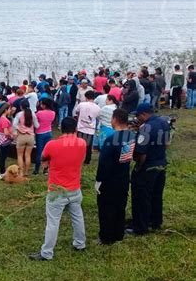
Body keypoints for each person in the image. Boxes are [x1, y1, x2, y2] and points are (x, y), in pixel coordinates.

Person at [29, 117, 86, 261]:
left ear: (61, 129)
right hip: (75, 188)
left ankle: (47, 253)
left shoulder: (52, 145)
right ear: (76, 130)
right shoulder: (82, 143)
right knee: (77, 217)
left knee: (53, 222)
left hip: (57, 191)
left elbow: (43, 157)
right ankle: (80, 243)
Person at [128, 103, 171, 235]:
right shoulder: (164, 122)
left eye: (138, 116)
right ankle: (155, 221)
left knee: (141, 197)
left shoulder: (145, 128)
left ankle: (141, 227)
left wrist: (138, 168)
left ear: (144, 114)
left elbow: (141, 154)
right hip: (161, 164)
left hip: (148, 167)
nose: (137, 118)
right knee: (156, 195)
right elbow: (167, 144)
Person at [95, 108, 135, 245]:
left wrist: (99, 180)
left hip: (109, 181)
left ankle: (106, 237)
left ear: (115, 119)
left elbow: (103, 163)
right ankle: (119, 234)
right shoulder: (131, 135)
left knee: (106, 209)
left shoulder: (111, 139)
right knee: (120, 207)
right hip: (123, 177)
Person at [13, 100, 39, 177]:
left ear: (21, 107)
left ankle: (21, 173)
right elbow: (37, 126)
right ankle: (26, 172)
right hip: (30, 137)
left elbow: (14, 124)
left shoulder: (19, 114)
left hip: (21, 136)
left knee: (20, 156)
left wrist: (20, 129)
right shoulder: (33, 114)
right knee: (28, 155)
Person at [76, 91, 100, 165]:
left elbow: (77, 112)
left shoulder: (81, 104)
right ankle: (87, 160)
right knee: (88, 146)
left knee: (79, 145)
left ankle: (77, 159)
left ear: (86, 97)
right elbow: (98, 117)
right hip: (90, 129)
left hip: (81, 127)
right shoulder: (98, 107)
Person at [34, 98, 55, 175]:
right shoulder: (53, 113)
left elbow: (35, 121)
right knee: (47, 151)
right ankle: (46, 169)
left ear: (44, 105)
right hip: (49, 132)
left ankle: (36, 169)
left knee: (39, 151)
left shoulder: (39, 113)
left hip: (40, 133)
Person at [0, 103, 13, 179]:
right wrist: (11, 136)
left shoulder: (1, 118)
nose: (10, 110)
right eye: (9, 109)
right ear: (5, 110)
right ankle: (2, 172)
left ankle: (2, 171)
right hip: (5, 140)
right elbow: (6, 132)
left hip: (2, 138)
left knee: (3, 156)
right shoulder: (4, 120)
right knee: (3, 156)